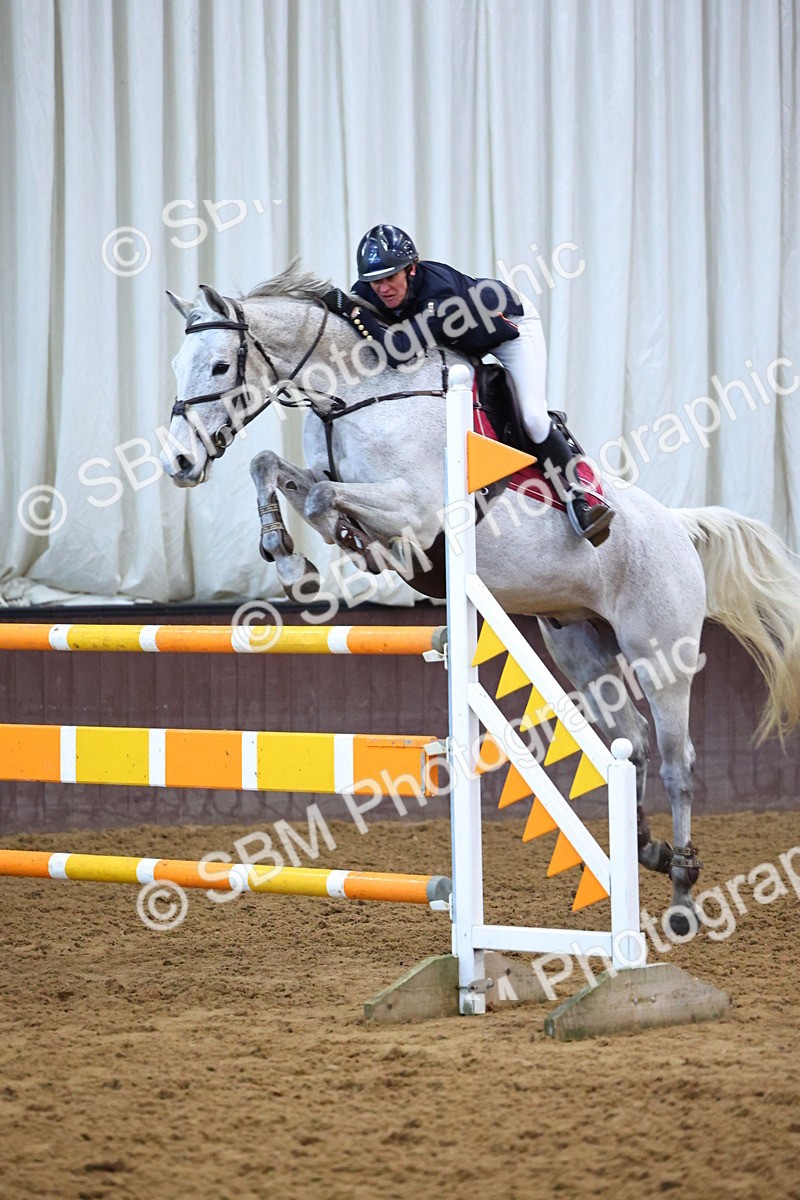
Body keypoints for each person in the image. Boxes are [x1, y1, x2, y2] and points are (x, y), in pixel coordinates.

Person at [323, 224, 613, 545]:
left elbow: (399, 352)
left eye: (391, 277)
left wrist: (351, 310)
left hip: (510, 330)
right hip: (460, 343)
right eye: (375, 282)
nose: (383, 289)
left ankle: (581, 495)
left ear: (412, 268)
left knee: (532, 416)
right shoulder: (370, 291)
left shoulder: (438, 293)